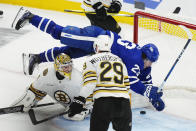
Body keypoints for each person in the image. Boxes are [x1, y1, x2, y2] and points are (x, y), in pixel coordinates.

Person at [12, 9, 165, 111]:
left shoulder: (144, 64)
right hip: (96, 37)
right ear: (144, 55)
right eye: (149, 60)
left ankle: (36, 58)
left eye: (152, 61)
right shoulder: (135, 59)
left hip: (98, 46)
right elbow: (132, 80)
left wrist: (153, 96)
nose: (149, 64)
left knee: (67, 53)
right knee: (61, 34)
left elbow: (146, 82)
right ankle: (30, 17)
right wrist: (146, 91)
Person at [68, 37, 132, 131]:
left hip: (103, 103)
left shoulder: (90, 60)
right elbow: (127, 86)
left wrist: (79, 100)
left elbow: (90, 84)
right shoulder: (120, 61)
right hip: (124, 104)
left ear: (97, 47)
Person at [12, 53, 92, 121]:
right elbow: (35, 87)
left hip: (81, 102)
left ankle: (87, 110)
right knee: (30, 95)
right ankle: (32, 100)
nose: (68, 69)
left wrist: (86, 107)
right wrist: (30, 98)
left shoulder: (78, 78)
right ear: (57, 67)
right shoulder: (47, 73)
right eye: (65, 67)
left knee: (73, 116)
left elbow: (89, 93)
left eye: (70, 66)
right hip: (66, 98)